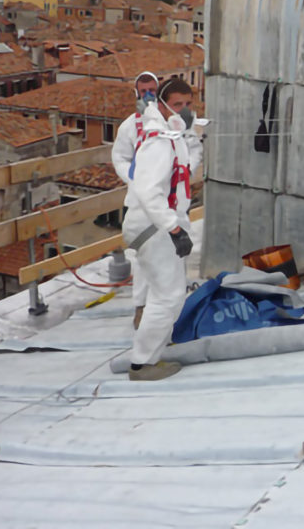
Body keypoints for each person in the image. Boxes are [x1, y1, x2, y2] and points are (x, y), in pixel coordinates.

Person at [122, 77, 197, 381]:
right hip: (154, 228)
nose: (184, 110)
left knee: (167, 293)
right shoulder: (157, 142)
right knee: (167, 295)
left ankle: (152, 353)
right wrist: (173, 229)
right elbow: (148, 190)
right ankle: (142, 363)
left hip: (159, 224)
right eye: (178, 104)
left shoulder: (171, 135)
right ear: (163, 104)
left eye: (188, 104)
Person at [111, 71, 160, 330]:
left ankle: (169, 306)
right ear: (136, 93)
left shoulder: (169, 121)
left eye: (152, 89)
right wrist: (129, 175)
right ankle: (140, 308)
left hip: (167, 200)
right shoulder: (129, 126)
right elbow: (119, 157)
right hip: (140, 200)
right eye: (144, 91)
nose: (148, 95)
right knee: (143, 256)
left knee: (172, 254)